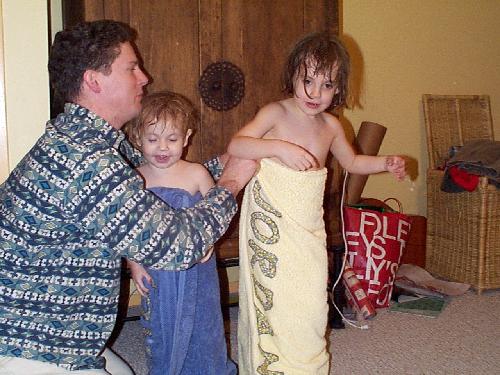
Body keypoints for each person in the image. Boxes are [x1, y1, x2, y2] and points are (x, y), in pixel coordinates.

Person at [0, 20, 256, 375]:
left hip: (54, 337)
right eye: (131, 68)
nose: (144, 78)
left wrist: (224, 163)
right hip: (33, 348)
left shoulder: (87, 139)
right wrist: (229, 184)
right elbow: (179, 246)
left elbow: (163, 176)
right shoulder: (86, 162)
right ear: (94, 80)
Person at [227, 32, 406, 374]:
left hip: (307, 228)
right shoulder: (275, 113)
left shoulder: (332, 126)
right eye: (307, 80)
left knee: (309, 298)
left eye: (327, 84)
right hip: (272, 225)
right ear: (292, 75)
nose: (314, 93)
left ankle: (306, 363)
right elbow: (238, 145)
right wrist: (278, 148)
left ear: (338, 88)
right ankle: (275, 365)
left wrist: (385, 163)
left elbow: (353, 163)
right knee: (277, 297)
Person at [124, 91, 237, 375]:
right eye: (152, 139)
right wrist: (134, 265)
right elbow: (129, 229)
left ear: (186, 138)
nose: (162, 148)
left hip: (197, 271)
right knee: (162, 328)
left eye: (172, 139)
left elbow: (218, 211)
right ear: (137, 137)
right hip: (157, 272)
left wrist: (210, 241)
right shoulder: (135, 178)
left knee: (204, 324)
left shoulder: (196, 172)